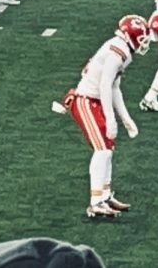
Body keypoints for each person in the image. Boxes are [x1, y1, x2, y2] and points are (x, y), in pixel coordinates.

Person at [55, 15, 151, 219]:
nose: (144, 43)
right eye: (141, 38)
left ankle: (105, 195)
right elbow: (104, 85)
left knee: (107, 149)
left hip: (94, 101)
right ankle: (96, 202)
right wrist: (110, 118)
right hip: (85, 100)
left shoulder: (122, 49)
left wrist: (126, 118)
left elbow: (115, 87)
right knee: (102, 150)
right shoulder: (118, 52)